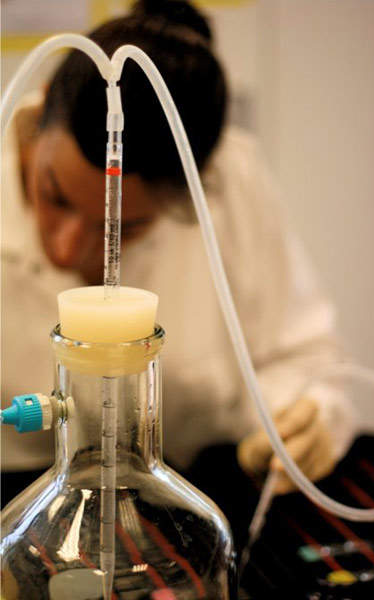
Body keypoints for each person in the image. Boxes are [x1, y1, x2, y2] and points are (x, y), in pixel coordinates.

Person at [1, 0, 355, 506]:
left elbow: (304, 357)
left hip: (198, 483)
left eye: (126, 227)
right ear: (38, 119)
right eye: (54, 195)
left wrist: (307, 416)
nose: (67, 247)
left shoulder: (229, 181)